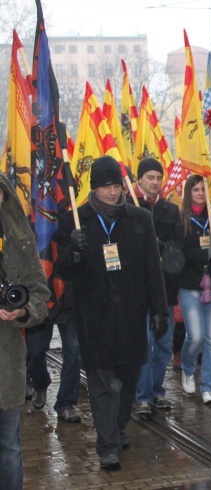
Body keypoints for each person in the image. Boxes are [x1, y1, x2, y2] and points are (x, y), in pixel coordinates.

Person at [55, 156, 169, 470]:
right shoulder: (76, 221)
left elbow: (152, 269)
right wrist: (72, 251)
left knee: (128, 379)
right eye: (105, 186)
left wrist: (159, 309)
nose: (111, 192)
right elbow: (62, 271)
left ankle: (117, 428)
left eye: (116, 185)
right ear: (95, 187)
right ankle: (107, 445)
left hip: (133, 314)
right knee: (103, 382)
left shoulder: (139, 218)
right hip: (95, 317)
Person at [0, 172, 49, 490]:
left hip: (5, 364)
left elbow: (41, 297)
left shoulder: (19, 238)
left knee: (9, 449)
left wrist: (22, 311)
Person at [133, 158, 183, 417]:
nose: (154, 182)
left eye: (157, 178)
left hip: (166, 288)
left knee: (164, 343)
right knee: (145, 341)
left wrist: (163, 246)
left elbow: (178, 249)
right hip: (140, 289)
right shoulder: (129, 205)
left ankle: (156, 390)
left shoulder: (171, 211)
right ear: (139, 179)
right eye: (149, 177)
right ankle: (142, 396)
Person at [178, 174, 211, 405]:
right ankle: (188, 368)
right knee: (195, 336)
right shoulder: (181, 220)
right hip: (190, 285)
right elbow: (179, 255)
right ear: (189, 193)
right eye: (196, 190)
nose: (200, 194)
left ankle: (207, 386)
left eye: (203, 190)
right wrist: (203, 253)